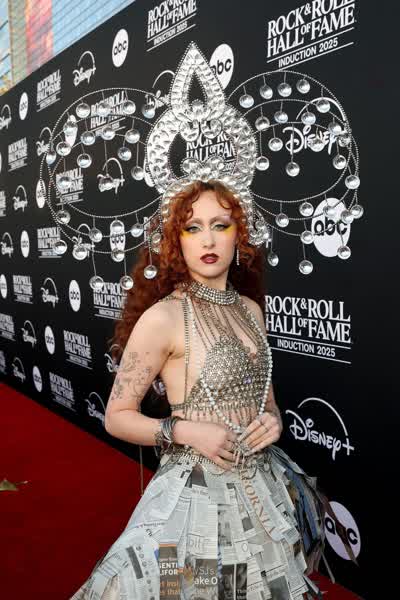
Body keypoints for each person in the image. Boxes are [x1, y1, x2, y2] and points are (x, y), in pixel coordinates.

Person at [70, 180, 341, 600]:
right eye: (193, 228)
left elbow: (266, 400)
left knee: (251, 588)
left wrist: (273, 422)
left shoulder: (250, 310)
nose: (208, 240)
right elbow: (116, 417)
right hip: (193, 492)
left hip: (261, 488)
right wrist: (185, 431)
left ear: (240, 236)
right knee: (184, 588)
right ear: (176, 241)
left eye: (221, 225)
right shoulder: (163, 318)